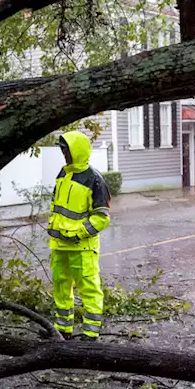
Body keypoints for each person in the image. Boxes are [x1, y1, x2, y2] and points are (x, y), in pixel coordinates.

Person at [48, 131, 111, 341]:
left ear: (77, 150)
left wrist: (77, 233)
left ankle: (90, 332)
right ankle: (62, 329)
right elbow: (57, 207)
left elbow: (102, 218)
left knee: (88, 288)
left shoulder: (94, 179)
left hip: (82, 247)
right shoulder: (63, 174)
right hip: (59, 245)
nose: (64, 154)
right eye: (62, 150)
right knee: (60, 286)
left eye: (66, 150)